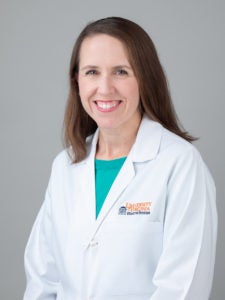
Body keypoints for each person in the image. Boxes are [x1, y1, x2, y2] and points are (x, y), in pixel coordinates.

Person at [23, 17, 217, 300]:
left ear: (145, 78)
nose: (104, 88)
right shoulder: (65, 166)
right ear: (76, 80)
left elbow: (183, 288)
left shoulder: (179, 164)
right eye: (91, 72)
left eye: (121, 72)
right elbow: (42, 280)